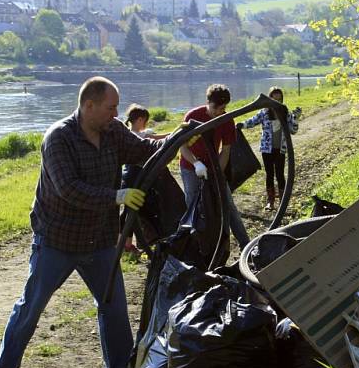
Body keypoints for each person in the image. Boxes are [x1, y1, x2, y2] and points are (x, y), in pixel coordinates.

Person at [0, 76, 164, 368]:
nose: (116, 113)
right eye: (111, 108)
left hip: (99, 241)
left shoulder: (112, 132)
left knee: (113, 307)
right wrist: (117, 195)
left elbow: (143, 150)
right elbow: (69, 189)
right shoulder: (58, 139)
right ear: (89, 105)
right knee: (31, 307)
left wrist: (179, 139)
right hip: (57, 240)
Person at [179, 84, 250, 249]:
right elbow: (182, 147)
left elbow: (225, 150)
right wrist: (196, 163)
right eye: (215, 108)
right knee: (192, 205)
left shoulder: (226, 121)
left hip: (213, 168)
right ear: (207, 102)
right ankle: (193, 245)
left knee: (228, 205)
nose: (218, 112)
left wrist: (217, 172)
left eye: (223, 108)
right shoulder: (193, 116)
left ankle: (245, 244)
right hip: (190, 167)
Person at [237, 87, 300, 210]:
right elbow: (253, 121)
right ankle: (270, 201)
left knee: (280, 174)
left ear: (282, 100)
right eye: (274, 99)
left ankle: (283, 202)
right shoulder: (264, 112)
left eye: (279, 99)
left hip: (280, 149)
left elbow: (293, 130)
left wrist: (296, 118)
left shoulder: (285, 112)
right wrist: (242, 125)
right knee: (269, 174)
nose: (276, 102)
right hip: (267, 149)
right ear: (269, 99)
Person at [120, 103, 167, 254]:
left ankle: (126, 244)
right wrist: (177, 133)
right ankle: (125, 244)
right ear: (140, 120)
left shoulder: (127, 133)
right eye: (145, 120)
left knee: (128, 211)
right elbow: (159, 138)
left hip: (127, 176)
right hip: (136, 177)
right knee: (132, 211)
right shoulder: (140, 135)